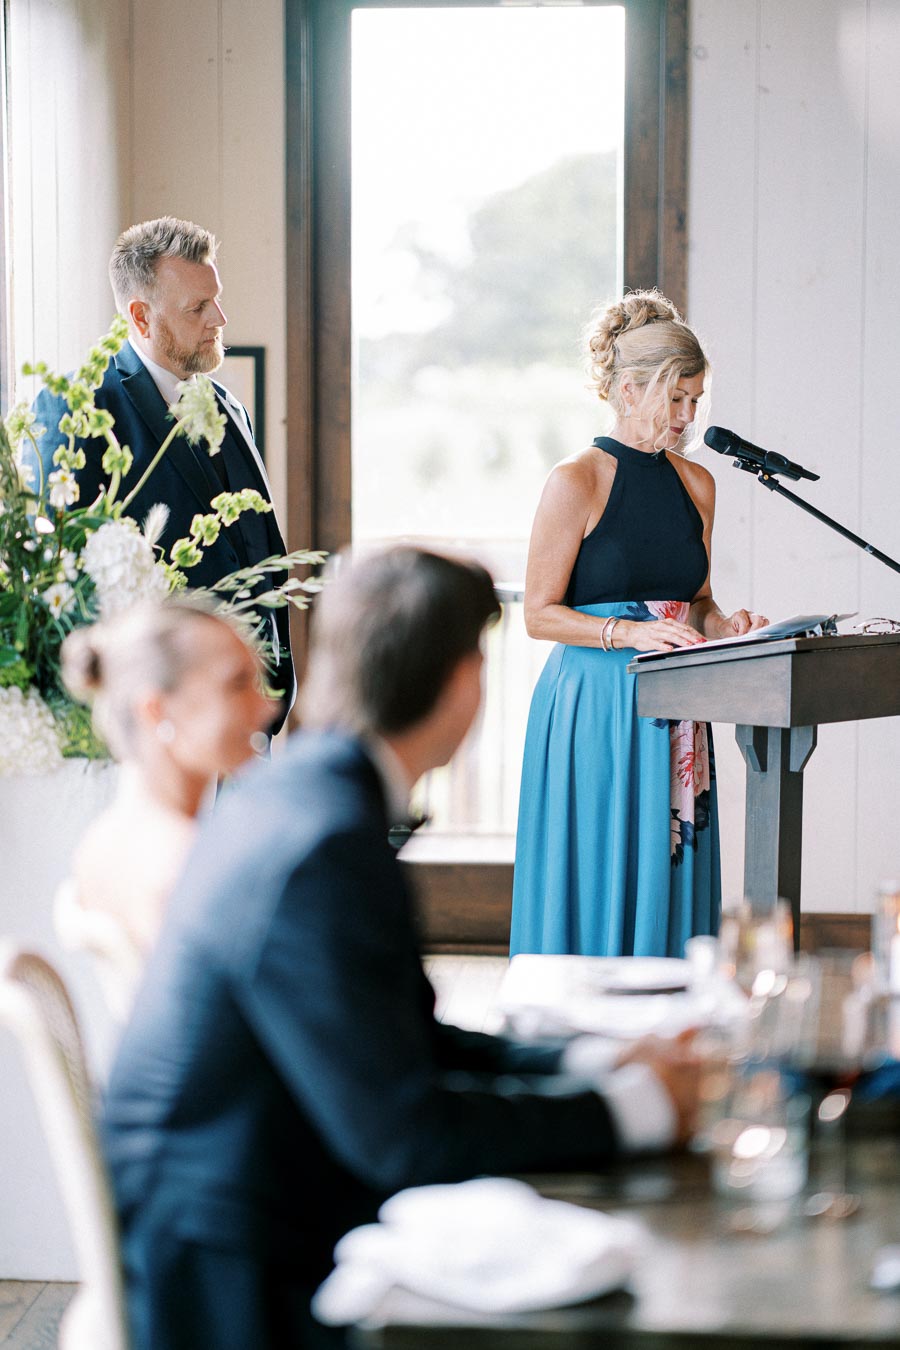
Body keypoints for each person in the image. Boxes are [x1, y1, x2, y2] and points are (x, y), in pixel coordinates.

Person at [102, 545, 701, 1350]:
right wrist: (637, 1109)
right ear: (464, 685)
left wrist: (592, 1060)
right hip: (237, 1270)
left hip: (264, 1206)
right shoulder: (319, 840)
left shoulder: (302, 794)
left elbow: (408, 1042)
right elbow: (405, 1138)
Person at [510, 290, 767, 960]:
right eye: (675, 399)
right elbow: (539, 614)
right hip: (595, 709)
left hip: (680, 707)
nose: (686, 418)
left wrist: (723, 622)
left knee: (670, 869)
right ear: (629, 389)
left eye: (695, 400)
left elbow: (700, 599)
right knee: (600, 865)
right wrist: (629, 634)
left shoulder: (699, 484)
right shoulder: (575, 481)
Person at [26, 216, 295, 729]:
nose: (219, 317)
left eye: (215, 298)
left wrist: (275, 689)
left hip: (251, 715)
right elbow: (60, 579)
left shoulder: (229, 408)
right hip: (164, 718)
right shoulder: (74, 406)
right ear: (141, 316)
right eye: (198, 307)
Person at [58, 600, 275, 1005]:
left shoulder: (106, 841)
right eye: (237, 684)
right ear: (156, 710)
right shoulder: (180, 865)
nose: (267, 706)